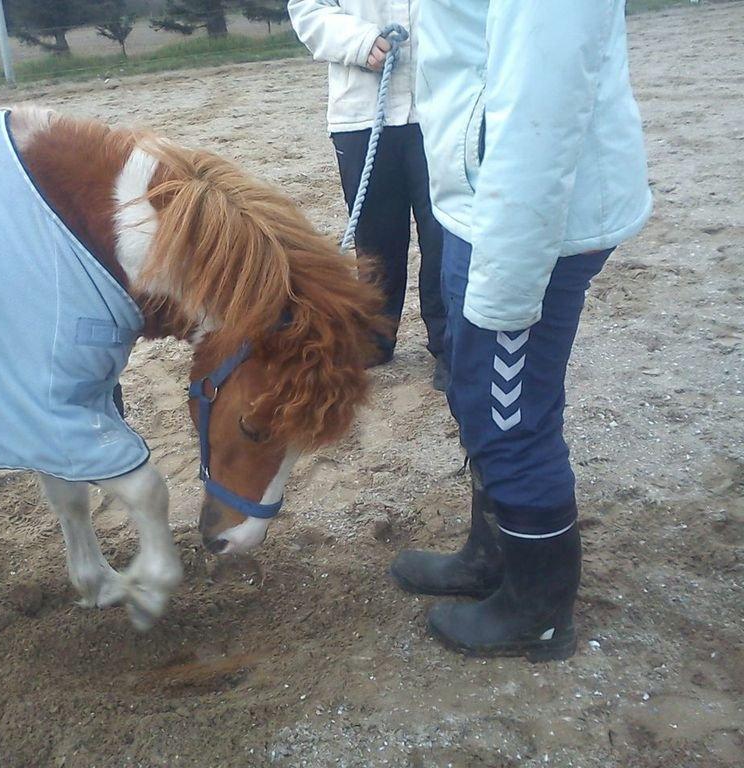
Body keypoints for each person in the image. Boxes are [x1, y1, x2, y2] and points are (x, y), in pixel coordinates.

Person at [390, 2, 652, 660]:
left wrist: (506, 284)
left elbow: (546, 98)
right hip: (482, 201)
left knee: (510, 416)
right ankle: (494, 554)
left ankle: (538, 611)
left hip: (526, 214)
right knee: (477, 394)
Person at [288, 0, 448, 387]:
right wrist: (359, 41)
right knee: (374, 235)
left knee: (444, 232)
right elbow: (308, 8)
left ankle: (450, 343)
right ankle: (374, 335)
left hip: (442, 109)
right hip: (360, 113)